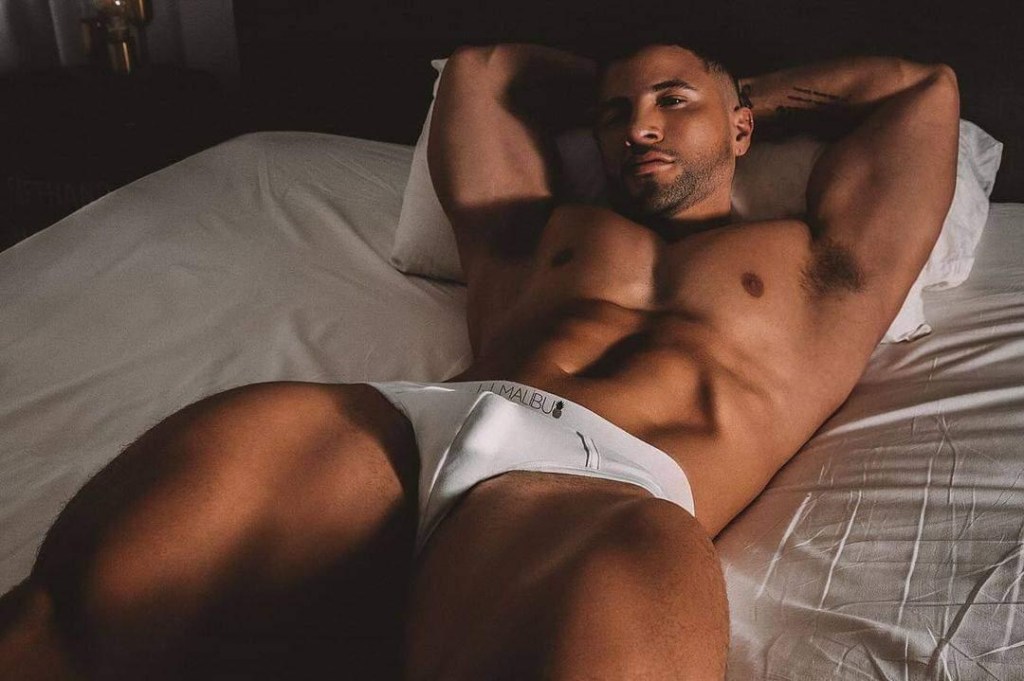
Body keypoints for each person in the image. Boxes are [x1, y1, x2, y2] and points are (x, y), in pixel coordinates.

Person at [0, 40, 959, 680]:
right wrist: (632, 84)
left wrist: (739, 88)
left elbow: (925, 91)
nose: (640, 127)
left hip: (603, 490)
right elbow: (480, 69)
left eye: (673, 102)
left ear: (743, 127)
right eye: (617, 112)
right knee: (67, 616)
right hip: (402, 425)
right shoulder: (533, 230)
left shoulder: (824, 267)